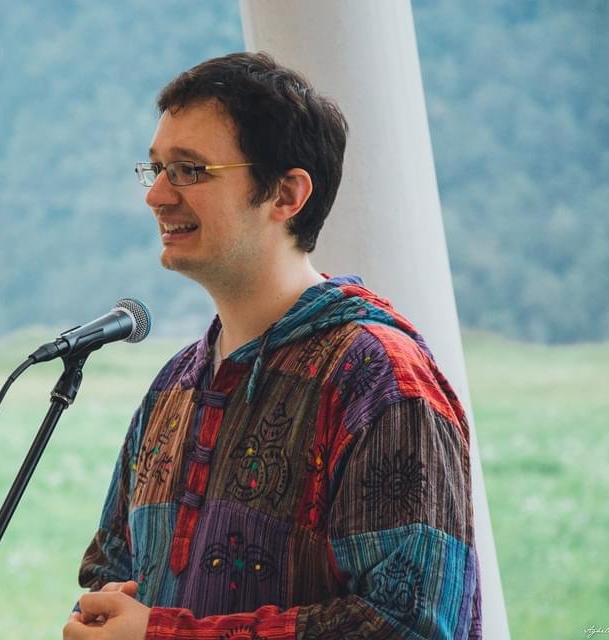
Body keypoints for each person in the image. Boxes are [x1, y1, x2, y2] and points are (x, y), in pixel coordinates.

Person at [63, 52, 481, 640]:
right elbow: (109, 574)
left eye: (188, 170)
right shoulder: (174, 385)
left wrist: (163, 635)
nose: (155, 195)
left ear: (286, 195)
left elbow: (413, 625)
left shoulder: (381, 380)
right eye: (155, 168)